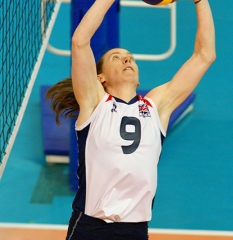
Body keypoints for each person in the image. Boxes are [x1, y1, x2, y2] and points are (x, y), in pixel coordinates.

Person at [46, 0, 215, 239]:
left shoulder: (157, 106)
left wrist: (200, 1)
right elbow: (80, 41)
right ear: (100, 77)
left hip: (134, 229)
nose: (127, 60)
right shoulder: (94, 103)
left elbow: (205, 56)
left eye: (130, 58)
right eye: (116, 57)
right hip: (91, 227)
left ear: (137, 78)